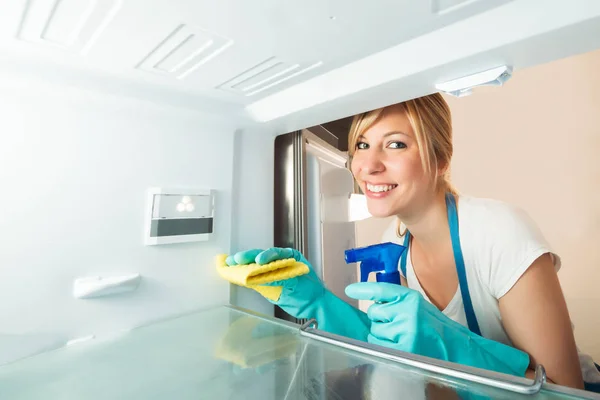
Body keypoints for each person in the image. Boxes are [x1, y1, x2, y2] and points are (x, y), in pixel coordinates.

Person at [225, 93, 600, 392]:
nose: (368, 165)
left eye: (396, 145)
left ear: (441, 159)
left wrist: (447, 342)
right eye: (361, 144)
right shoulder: (394, 243)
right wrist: (318, 303)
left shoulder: (498, 231)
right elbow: (386, 349)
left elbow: (565, 392)